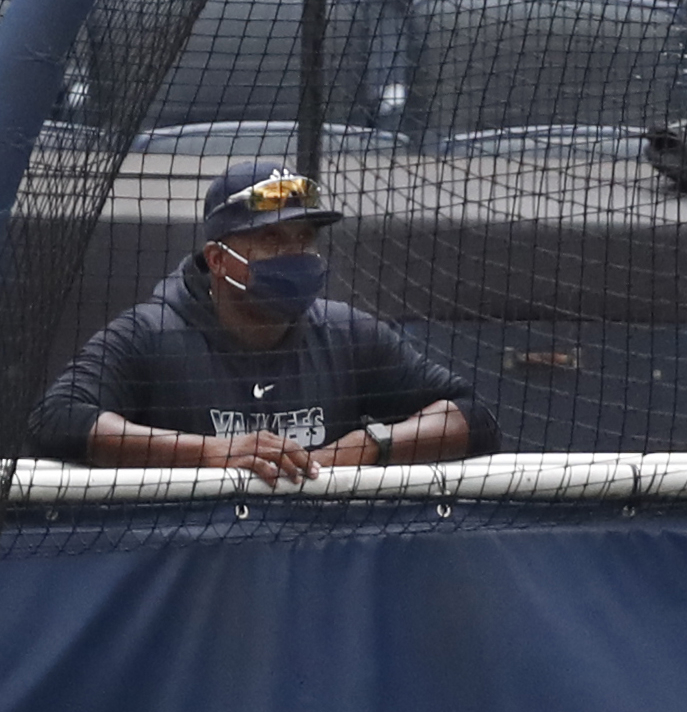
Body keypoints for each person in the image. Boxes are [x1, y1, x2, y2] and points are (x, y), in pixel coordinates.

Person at [29, 161, 497, 483]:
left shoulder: (347, 334)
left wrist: (372, 444)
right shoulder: (150, 335)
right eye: (272, 239)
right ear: (218, 259)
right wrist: (210, 453)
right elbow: (59, 419)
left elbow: (472, 415)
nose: (294, 254)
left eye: (304, 238)